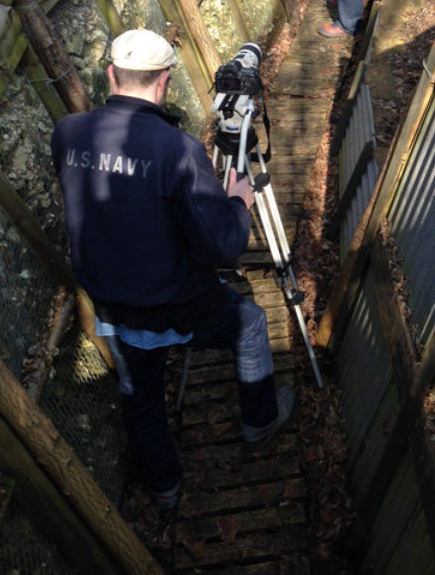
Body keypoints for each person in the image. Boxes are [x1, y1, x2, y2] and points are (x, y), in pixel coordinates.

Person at [51, 29, 294, 509]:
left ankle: (164, 487)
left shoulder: (67, 133)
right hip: (179, 302)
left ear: (110, 74)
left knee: (138, 393)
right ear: (164, 82)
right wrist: (238, 203)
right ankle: (260, 419)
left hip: (113, 303)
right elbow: (221, 245)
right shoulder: (178, 149)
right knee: (249, 325)